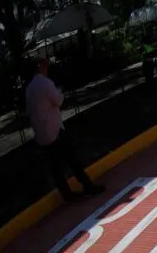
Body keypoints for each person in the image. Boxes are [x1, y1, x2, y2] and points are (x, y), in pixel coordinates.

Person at [26, 58, 104, 201]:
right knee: (72, 160)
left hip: (42, 134)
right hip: (55, 130)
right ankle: (88, 186)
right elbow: (58, 100)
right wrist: (60, 92)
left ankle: (67, 195)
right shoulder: (45, 83)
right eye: (45, 65)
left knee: (56, 167)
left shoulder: (29, 88)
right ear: (41, 67)